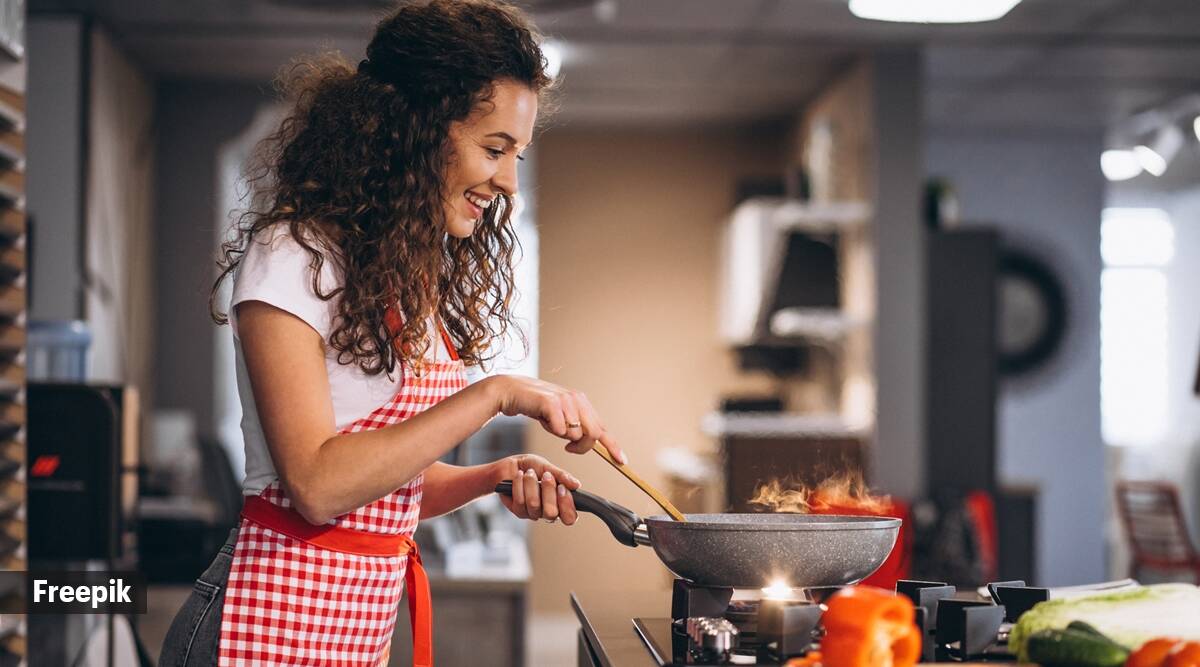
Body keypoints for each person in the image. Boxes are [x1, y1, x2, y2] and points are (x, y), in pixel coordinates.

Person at [158, 2, 625, 665]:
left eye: (517, 153)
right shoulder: (294, 254)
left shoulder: (402, 272)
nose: (509, 180)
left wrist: (491, 476)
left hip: (350, 634)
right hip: (258, 627)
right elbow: (317, 485)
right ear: (417, 129)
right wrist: (495, 393)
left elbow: (385, 482)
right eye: (494, 148)